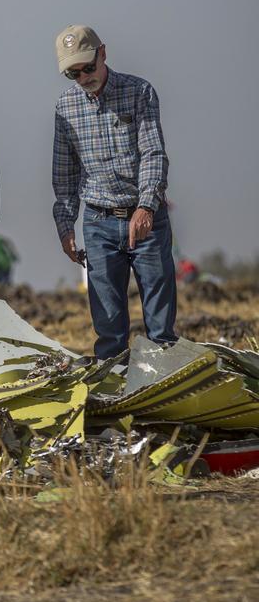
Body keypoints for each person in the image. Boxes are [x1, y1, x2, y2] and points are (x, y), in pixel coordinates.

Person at [52, 25, 176, 358]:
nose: (83, 77)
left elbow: (153, 153)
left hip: (146, 220)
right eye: (73, 73)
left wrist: (147, 207)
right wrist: (65, 226)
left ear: (102, 54)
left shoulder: (139, 92)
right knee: (109, 329)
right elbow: (65, 176)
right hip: (98, 224)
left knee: (161, 326)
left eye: (88, 67)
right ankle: (114, 391)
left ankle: (162, 392)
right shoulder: (65, 108)